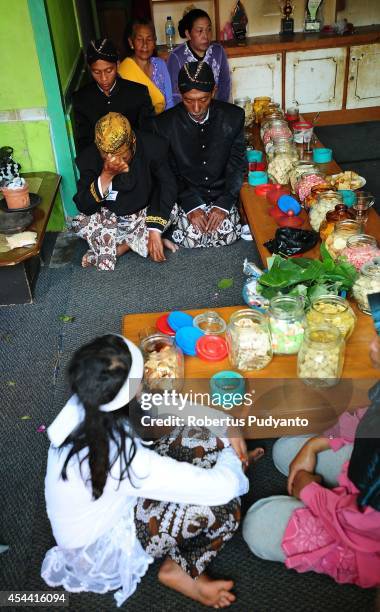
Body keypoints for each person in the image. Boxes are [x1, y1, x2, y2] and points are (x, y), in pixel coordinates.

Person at [41, 333, 251, 608]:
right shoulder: (120, 459)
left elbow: (155, 405)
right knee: (225, 508)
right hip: (104, 542)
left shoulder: (92, 399)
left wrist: (224, 426)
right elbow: (222, 488)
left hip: (117, 494)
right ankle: (179, 570)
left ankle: (225, 459)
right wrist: (232, 459)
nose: (147, 381)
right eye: (142, 378)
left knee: (201, 435)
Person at [242, 338, 380, 588]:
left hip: (364, 537)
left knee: (257, 525)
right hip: (364, 486)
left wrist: (310, 491)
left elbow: (358, 523)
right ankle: (333, 492)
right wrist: (316, 443)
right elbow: (367, 419)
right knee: (286, 450)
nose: (371, 344)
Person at [152, 61, 244, 249]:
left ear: (214, 91)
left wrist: (225, 203)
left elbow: (237, 163)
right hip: (186, 193)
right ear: (179, 92)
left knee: (228, 235)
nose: (196, 108)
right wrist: (191, 205)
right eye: (188, 100)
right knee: (191, 238)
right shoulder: (164, 125)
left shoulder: (233, 116)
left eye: (203, 99)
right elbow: (168, 171)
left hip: (221, 192)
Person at [71, 112, 178, 270]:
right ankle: (136, 242)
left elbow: (167, 185)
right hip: (112, 220)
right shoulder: (90, 157)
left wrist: (154, 230)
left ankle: (126, 245)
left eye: (123, 157)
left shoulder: (153, 146)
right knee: (79, 223)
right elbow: (83, 205)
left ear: (132, 142)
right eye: (106, 157)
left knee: (173, 207)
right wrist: (106, 176)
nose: (115, 162)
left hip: (144, 215)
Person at [72, 39, 154, 153]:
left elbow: (148, 133)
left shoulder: (138, 93)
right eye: (96, 72)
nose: (104, 78)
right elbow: (84, 143)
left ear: (118, 65)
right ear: (90, 70)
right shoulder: (81, 99)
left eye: (109, 70)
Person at [167, 9, 231, 106]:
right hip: (187, 114)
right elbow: (175, 96)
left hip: (215, 111)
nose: (206, 36)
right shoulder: (176, 57)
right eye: (199, 31)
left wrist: (219, 113)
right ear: (188, 34)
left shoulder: (218, 51)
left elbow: (225, 86)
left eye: (209, 29)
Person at [119, 19, 174, 114]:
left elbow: (169, 102)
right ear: (131, 43)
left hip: (163, 123)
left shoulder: (161, 65)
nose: (145, 45)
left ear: (154, 43)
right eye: (139, 39)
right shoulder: (124, 71)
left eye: (149, 39)